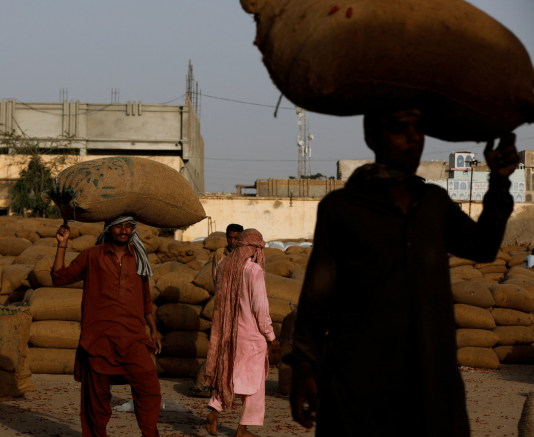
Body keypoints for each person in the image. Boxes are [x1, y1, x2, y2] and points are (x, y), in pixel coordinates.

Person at [285, 109, 519, 436]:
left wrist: (500, 179)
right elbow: (315, 299)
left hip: (432, 387)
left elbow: (482, 247)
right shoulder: (341, 209)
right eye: (399, 128)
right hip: (359, 388)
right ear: (372, 138)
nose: (414, 138)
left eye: (419, 128)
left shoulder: (434, 203)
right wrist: (304, 370)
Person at [51, 216, 162, 437]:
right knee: (97, 399)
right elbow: (59, 278)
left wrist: (154, 329)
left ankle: (150, 434)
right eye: (119, 226)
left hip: (134, 337)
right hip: (99, 338)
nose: (124, 230)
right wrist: (62, 243)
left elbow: (145, 300)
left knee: (150, 391)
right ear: (109, 229)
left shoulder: (139, 258)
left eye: (128, 226)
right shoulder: (92, 255)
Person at [205, 228, 277, 437]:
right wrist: (271, 336)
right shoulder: (253, 270)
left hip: (228, 332)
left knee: (230, 373)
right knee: (255, 383)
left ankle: (214, 409)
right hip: (251, 335)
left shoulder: (223, 265)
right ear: (254, 249)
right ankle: (243, 429)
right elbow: (260, 308)